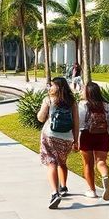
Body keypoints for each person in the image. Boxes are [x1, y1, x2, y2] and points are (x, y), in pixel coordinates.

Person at [37, 76, 78, 209]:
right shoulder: (72, 101)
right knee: (62, 162)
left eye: (52, 85)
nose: (50, 87)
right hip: (67, 137)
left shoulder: (49, 100)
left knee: (51, 163)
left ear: (57, 87)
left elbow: (41, 118)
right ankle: (64, 187)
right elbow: (76, 123)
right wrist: (76, 140)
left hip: (50, 135)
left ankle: (55, 193)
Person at [78, 82, 109, 200]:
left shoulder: (82, 105)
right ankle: (105, 176)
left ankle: (92, 190)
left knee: (88, 164)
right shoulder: (106, 106)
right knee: (101, 162)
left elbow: (78, 123)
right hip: (102, 135)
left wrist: (74, 140)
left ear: (87, 93)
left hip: (86, 135)